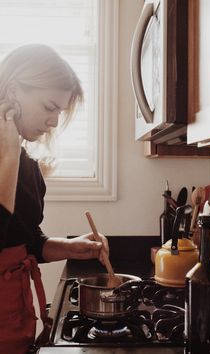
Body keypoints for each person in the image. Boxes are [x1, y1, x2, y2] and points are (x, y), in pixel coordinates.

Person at [0, 44, 109, 354]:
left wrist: (72, 247)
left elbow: (25, 239)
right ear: (12, 91)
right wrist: (7, 156)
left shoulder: (28, 166)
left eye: (60, 111)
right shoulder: (9, 158)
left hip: (16, 313)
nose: (54, 121)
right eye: (49, 107)